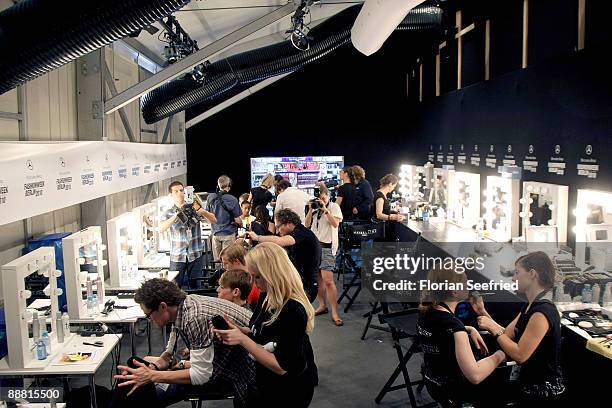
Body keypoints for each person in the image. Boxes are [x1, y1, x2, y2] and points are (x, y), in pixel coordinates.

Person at [110, 279, 254, 407]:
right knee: (134, 371)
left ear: (163, 307)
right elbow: (170, 351)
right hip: (226, 363)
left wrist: (152, 375)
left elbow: (200, 375)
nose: (150, 321)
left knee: (139, 395)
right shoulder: (184, 304)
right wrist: (157, 365)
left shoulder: (194, 318)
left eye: (149, 315)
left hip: (243, 375)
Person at [214, 242, 317, 408]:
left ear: (272, 274)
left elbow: (282, 366)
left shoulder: (293, 310)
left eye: (258, 277)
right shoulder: (266, 295)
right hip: (264, 382)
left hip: (288, 392)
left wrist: (243, 339)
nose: (254, 283)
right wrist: (241, 331)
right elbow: (263, 333)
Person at [474, 251, 565, 407]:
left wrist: (492, 327)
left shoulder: (542, 312)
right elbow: (506, 336)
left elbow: (520, 354)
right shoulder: (529, 306)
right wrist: (483, 313)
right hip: (528, 384)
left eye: (517, 272)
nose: (513, 278)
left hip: (543, 392)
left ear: (532, 274)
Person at [418, 265, 507, 407]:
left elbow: (441, 332)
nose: (468, 285)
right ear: (454, 291)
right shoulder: (454, 327)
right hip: (456, 391)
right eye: (465, 282)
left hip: (432, 383)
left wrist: (469, 328)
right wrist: (500, 355)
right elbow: (475, 375)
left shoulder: (426, 311)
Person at [245, 209, 321, 302]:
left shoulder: (301, 233)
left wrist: (257, 237)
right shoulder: (296, 232)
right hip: (300, 281)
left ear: (288, 223)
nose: (277, 230)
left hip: (307, 285)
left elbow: (280, 241)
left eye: (278, 227)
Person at [160, 181, 217, 288]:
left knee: (196, 285)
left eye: (181, 190)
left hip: (195, 254)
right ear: (171, 195)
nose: (179, 193)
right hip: (177, 256)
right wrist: (177, 215)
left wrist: (200, 210)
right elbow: (161, 228)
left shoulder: (193, 208)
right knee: (174, 287)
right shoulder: (168, 212)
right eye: (176, 191)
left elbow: (213, 220)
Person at [305, 183, 343, 326]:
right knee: (319, 279)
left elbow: (335, 224)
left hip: (327, 247)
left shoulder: (334, 207)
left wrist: (325, 210)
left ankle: (335, 312)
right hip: (315, 248)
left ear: (328, 196)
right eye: (319, 198)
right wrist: (310, 209)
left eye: (323, 197)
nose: (321, 200)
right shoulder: (314, 207)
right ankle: (322, 305)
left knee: (328, 280)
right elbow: (307, 224)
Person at [207, 175, 242, 262]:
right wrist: (241, 224)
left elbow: (207, 216)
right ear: (229, 184)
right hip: (229, 234)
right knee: (228, 262)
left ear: (218, 185)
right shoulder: (233, 199)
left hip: (215, 234)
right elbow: (237, 220)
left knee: (217, 262)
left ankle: (218, 276)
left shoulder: (210, 198)